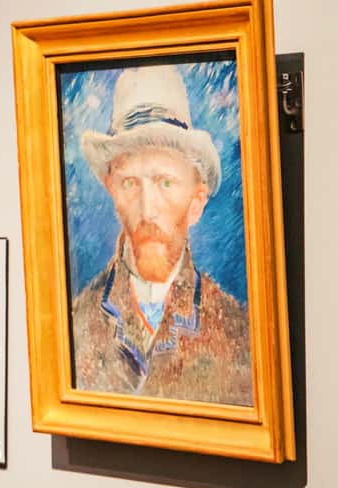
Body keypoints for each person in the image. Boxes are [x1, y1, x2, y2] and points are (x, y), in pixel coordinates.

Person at [71, 64, 252, 406]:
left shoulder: (239, 335)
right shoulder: (75, 324)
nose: (147, 209)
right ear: (112, 192)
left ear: (196, 203)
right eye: (130, 183)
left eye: (165, 183)